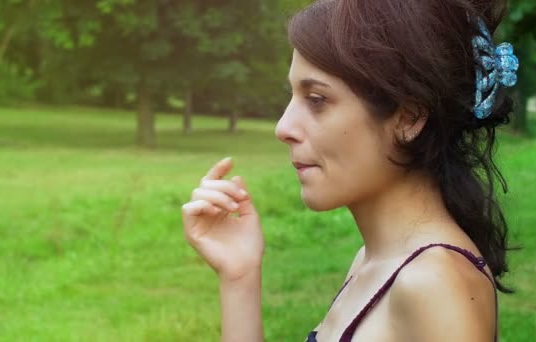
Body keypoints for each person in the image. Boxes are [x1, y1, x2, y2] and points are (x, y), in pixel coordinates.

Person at [181, 0, 519, 340]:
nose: (283, 127)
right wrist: (239, 276)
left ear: (409, 118)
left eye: (316, 100)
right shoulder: (377, 262)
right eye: (292, 96)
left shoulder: (435, 283)